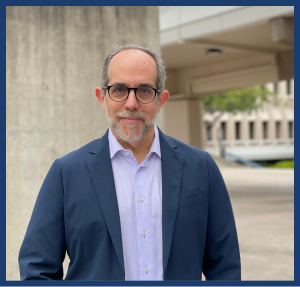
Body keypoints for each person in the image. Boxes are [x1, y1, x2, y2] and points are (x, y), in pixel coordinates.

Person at [19, 45, 241, 281]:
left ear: (161, 100)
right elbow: (37, 270)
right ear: (102, 98)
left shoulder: (201, 168)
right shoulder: (66, 174)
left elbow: (225, 266)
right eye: (119, 89)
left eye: (144, 90)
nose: (131, 103)